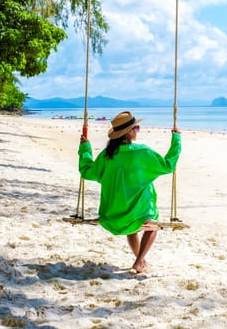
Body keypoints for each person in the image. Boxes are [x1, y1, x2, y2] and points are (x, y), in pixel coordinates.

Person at [78, 111, 182, 273]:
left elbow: (86, 171)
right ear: (128, 132)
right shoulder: (142, 152)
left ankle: (141, 261)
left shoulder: (107, 155)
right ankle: (139, 260)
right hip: (136, 217)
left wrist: (85, 148)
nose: (137, 131)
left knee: (134, 227)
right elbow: (168, 166)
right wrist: (176, 140)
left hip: (112, 219)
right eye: (137, 127)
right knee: (151, 225)